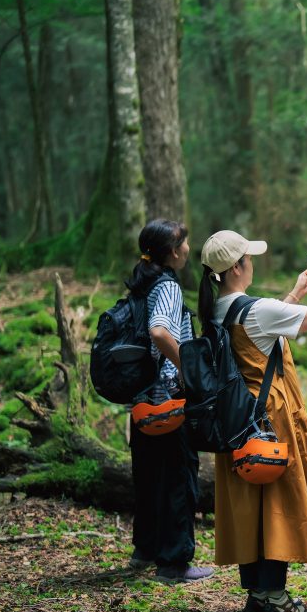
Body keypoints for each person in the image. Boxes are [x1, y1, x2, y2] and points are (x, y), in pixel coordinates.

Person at [197, 230, 307, 612]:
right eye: (249, 257)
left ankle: (258, 594)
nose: (253, 263)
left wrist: (295, 295)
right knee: (278, 502)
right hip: (269, 419)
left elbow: (261, 335)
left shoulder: (214, 310)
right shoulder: (258, 309)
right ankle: (276, 595)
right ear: (236, 268)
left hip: (235, 422)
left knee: (248, 505)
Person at [126, 219, 214, 584]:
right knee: (179, 475)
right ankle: (175, 562)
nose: (189, 248)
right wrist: (187, 367)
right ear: (174, 251)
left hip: (143, 399)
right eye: (185, 243)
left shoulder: (141, 281)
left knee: (148, 475)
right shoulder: (168, 287)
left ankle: (145, 550)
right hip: (169, 400)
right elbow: (160, 331)